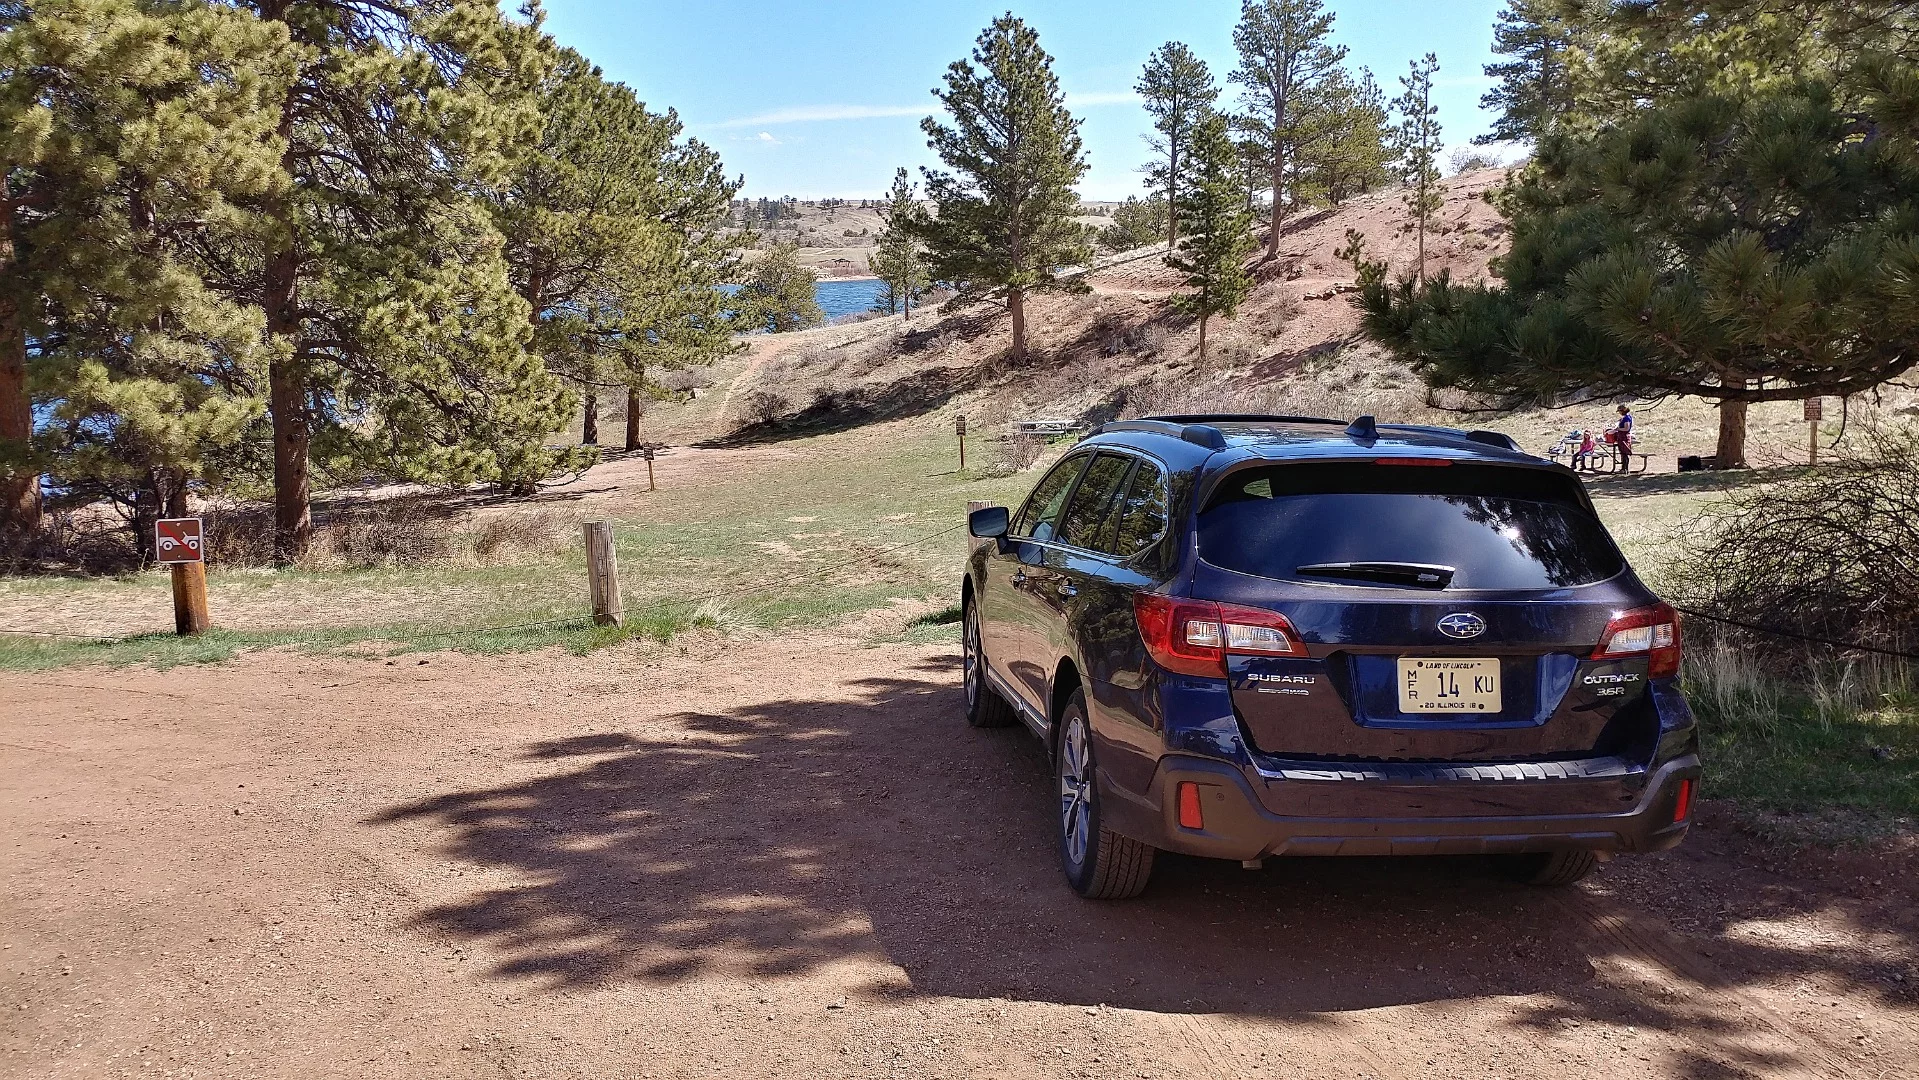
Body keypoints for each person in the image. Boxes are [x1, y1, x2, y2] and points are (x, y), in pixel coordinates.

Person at [1612, 405, 1635, 470]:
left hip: (1624, 437)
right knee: (1623, 453)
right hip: (1622, 437)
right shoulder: (1627, 417)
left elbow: (1626, 428)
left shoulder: (1626, 418)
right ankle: (1623, 468)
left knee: (1624, 453)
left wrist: (1618, 429)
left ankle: (1625, 468)